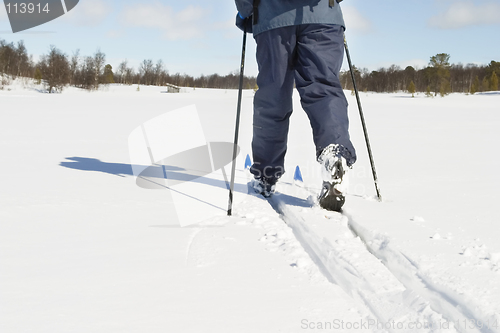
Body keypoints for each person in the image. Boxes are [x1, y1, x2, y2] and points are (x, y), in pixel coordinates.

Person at [234, 0, 356, 211]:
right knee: (324, 88)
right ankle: (335, 152)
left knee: (273, 97)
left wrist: (246, 11)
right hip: (324, 17)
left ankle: (265, 176)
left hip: (272, 17)